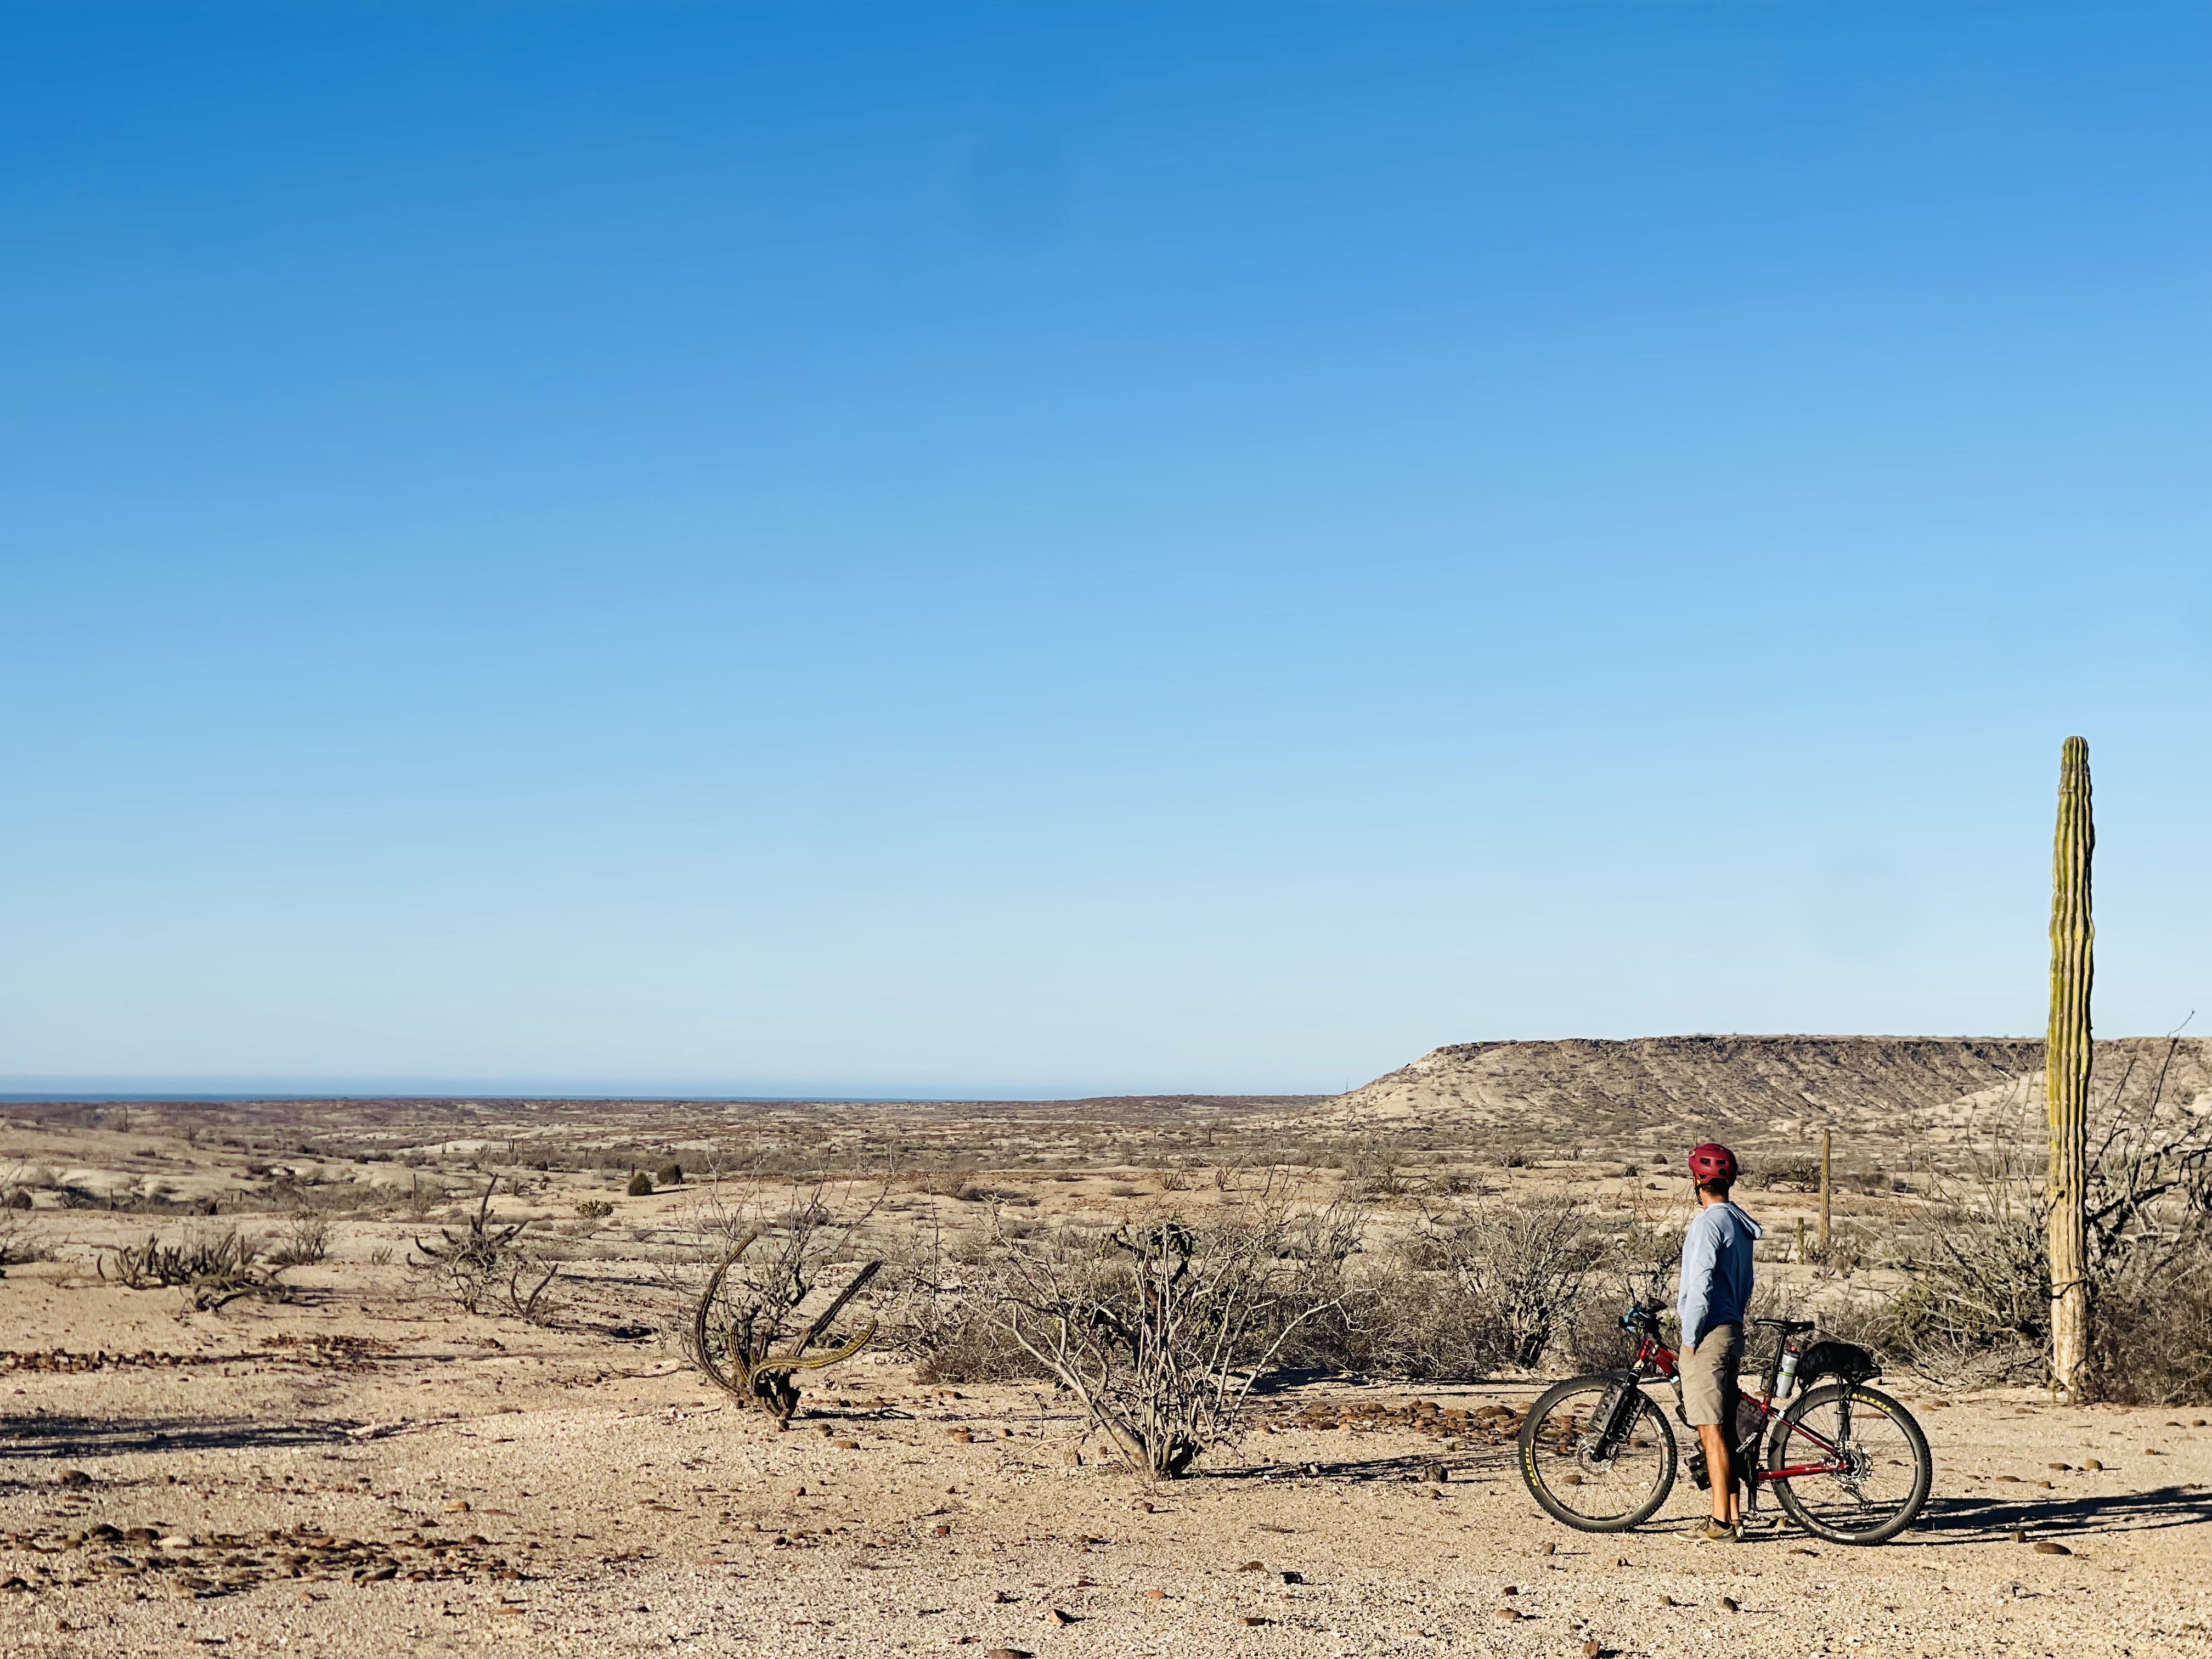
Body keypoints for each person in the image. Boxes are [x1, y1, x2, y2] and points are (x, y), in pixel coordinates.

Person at [1677, 1141, 1762, 1542]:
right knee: (1724, 1427)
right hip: (1732, 1328)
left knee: (1709, 1428)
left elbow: (1700, 1283)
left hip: (1708, 1334)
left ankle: (1720, 1524)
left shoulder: (1708, 1223)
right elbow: (1744, 1285)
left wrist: (1690, 1336)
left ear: (1697, 1180)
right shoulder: (1739, 1224)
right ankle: (1732, 1514)